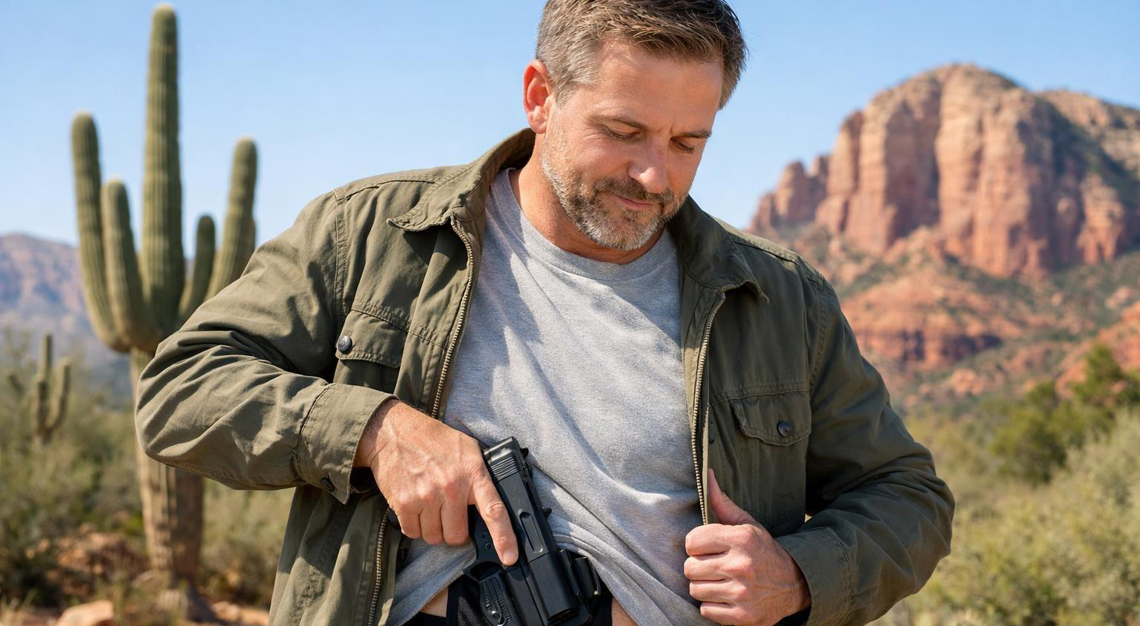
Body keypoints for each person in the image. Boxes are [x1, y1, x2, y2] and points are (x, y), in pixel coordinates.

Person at [135, 1, 954, 625]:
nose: (653, 176)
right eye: (623, 130)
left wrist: (801, 575)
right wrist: (375, 431)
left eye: (686, 143)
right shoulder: (370, 234)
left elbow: (907, 495)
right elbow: (177, 390)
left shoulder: (779, 297)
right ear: (540, 96)